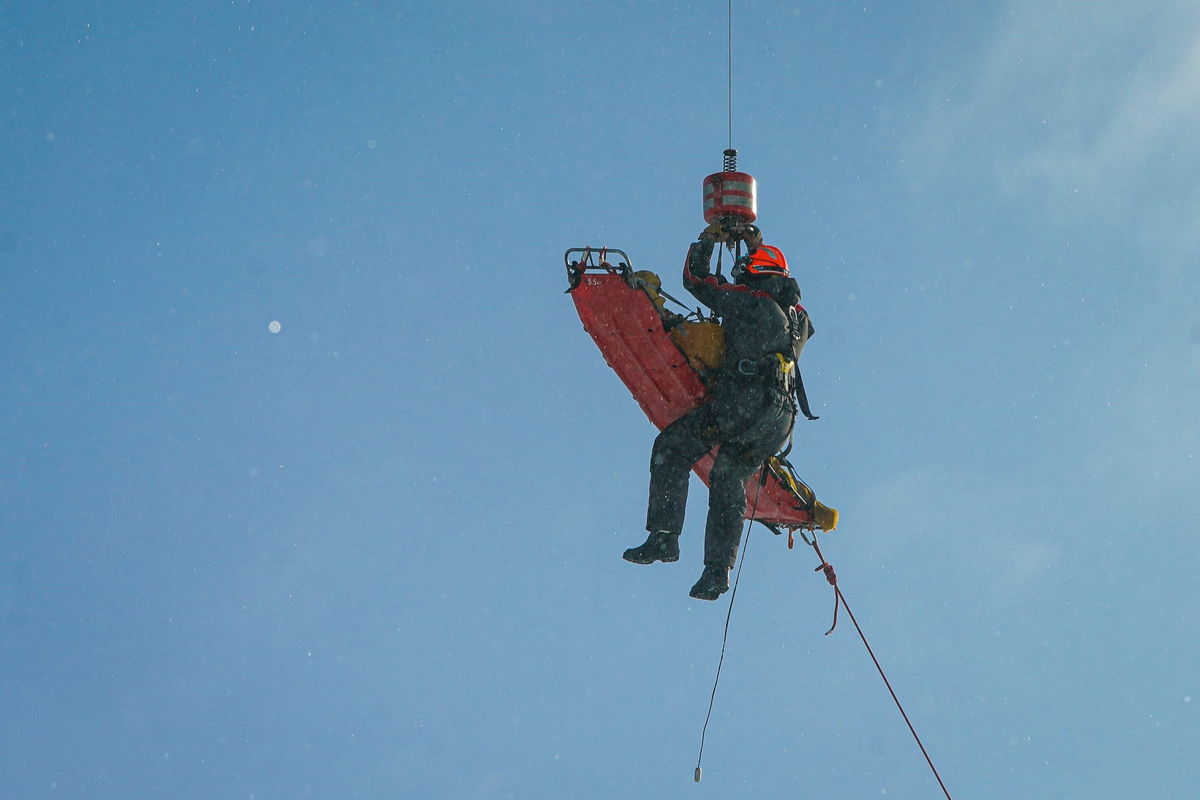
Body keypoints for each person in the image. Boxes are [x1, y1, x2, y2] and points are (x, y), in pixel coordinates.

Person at [623, 223, 815, 600]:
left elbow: (696, 281)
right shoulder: (799, 321)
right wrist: (756, 245)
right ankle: (717, 572)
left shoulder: (754, 303)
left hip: (743, 404)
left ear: (756, 277)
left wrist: (709, 241)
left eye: (744, 274)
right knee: (728, 479)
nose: (739, 280)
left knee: (672, 448)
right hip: (779, 421)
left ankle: (664, 538)